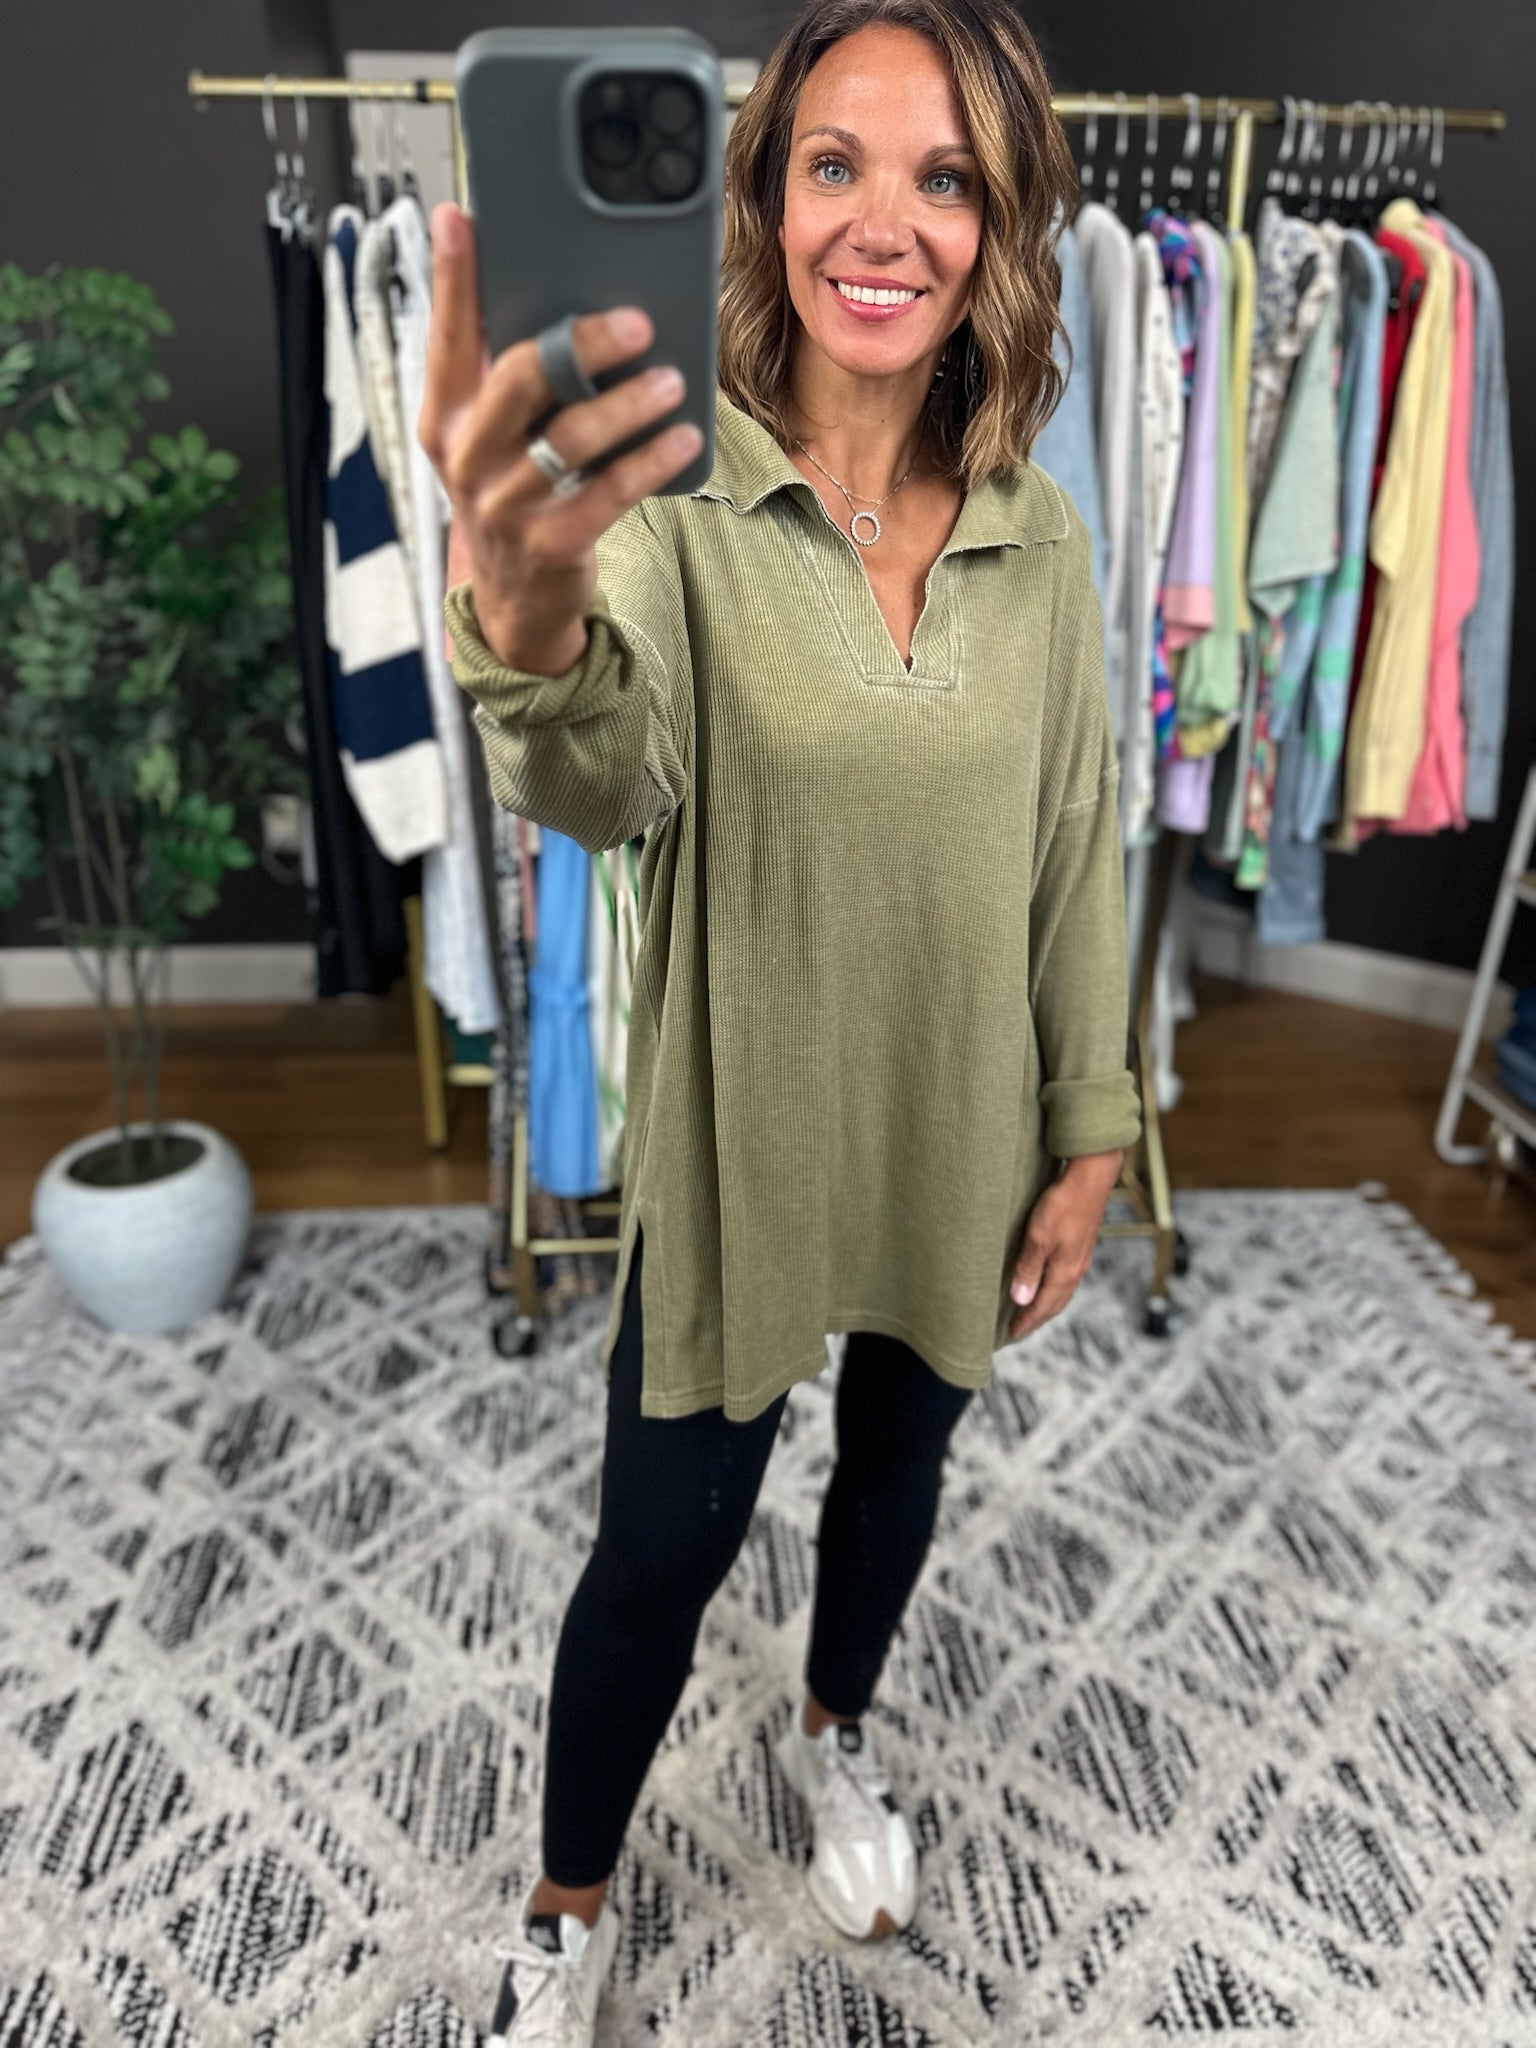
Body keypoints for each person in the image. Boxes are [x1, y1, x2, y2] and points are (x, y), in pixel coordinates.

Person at [418, 2, 1141, 2040]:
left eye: (946, 176)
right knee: (659, 1548)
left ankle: (837, 1725)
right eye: (835, 162)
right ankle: (565, 1904)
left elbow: (1075, 847)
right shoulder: (668, 506)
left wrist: (1093, 1126)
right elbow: (601, 776)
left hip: (959, 1124)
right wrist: (525, 611)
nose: (884, 221)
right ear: (765, 198)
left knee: (896, 1477)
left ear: (1001, 225)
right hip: (743, 1131)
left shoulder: (1044, 533)